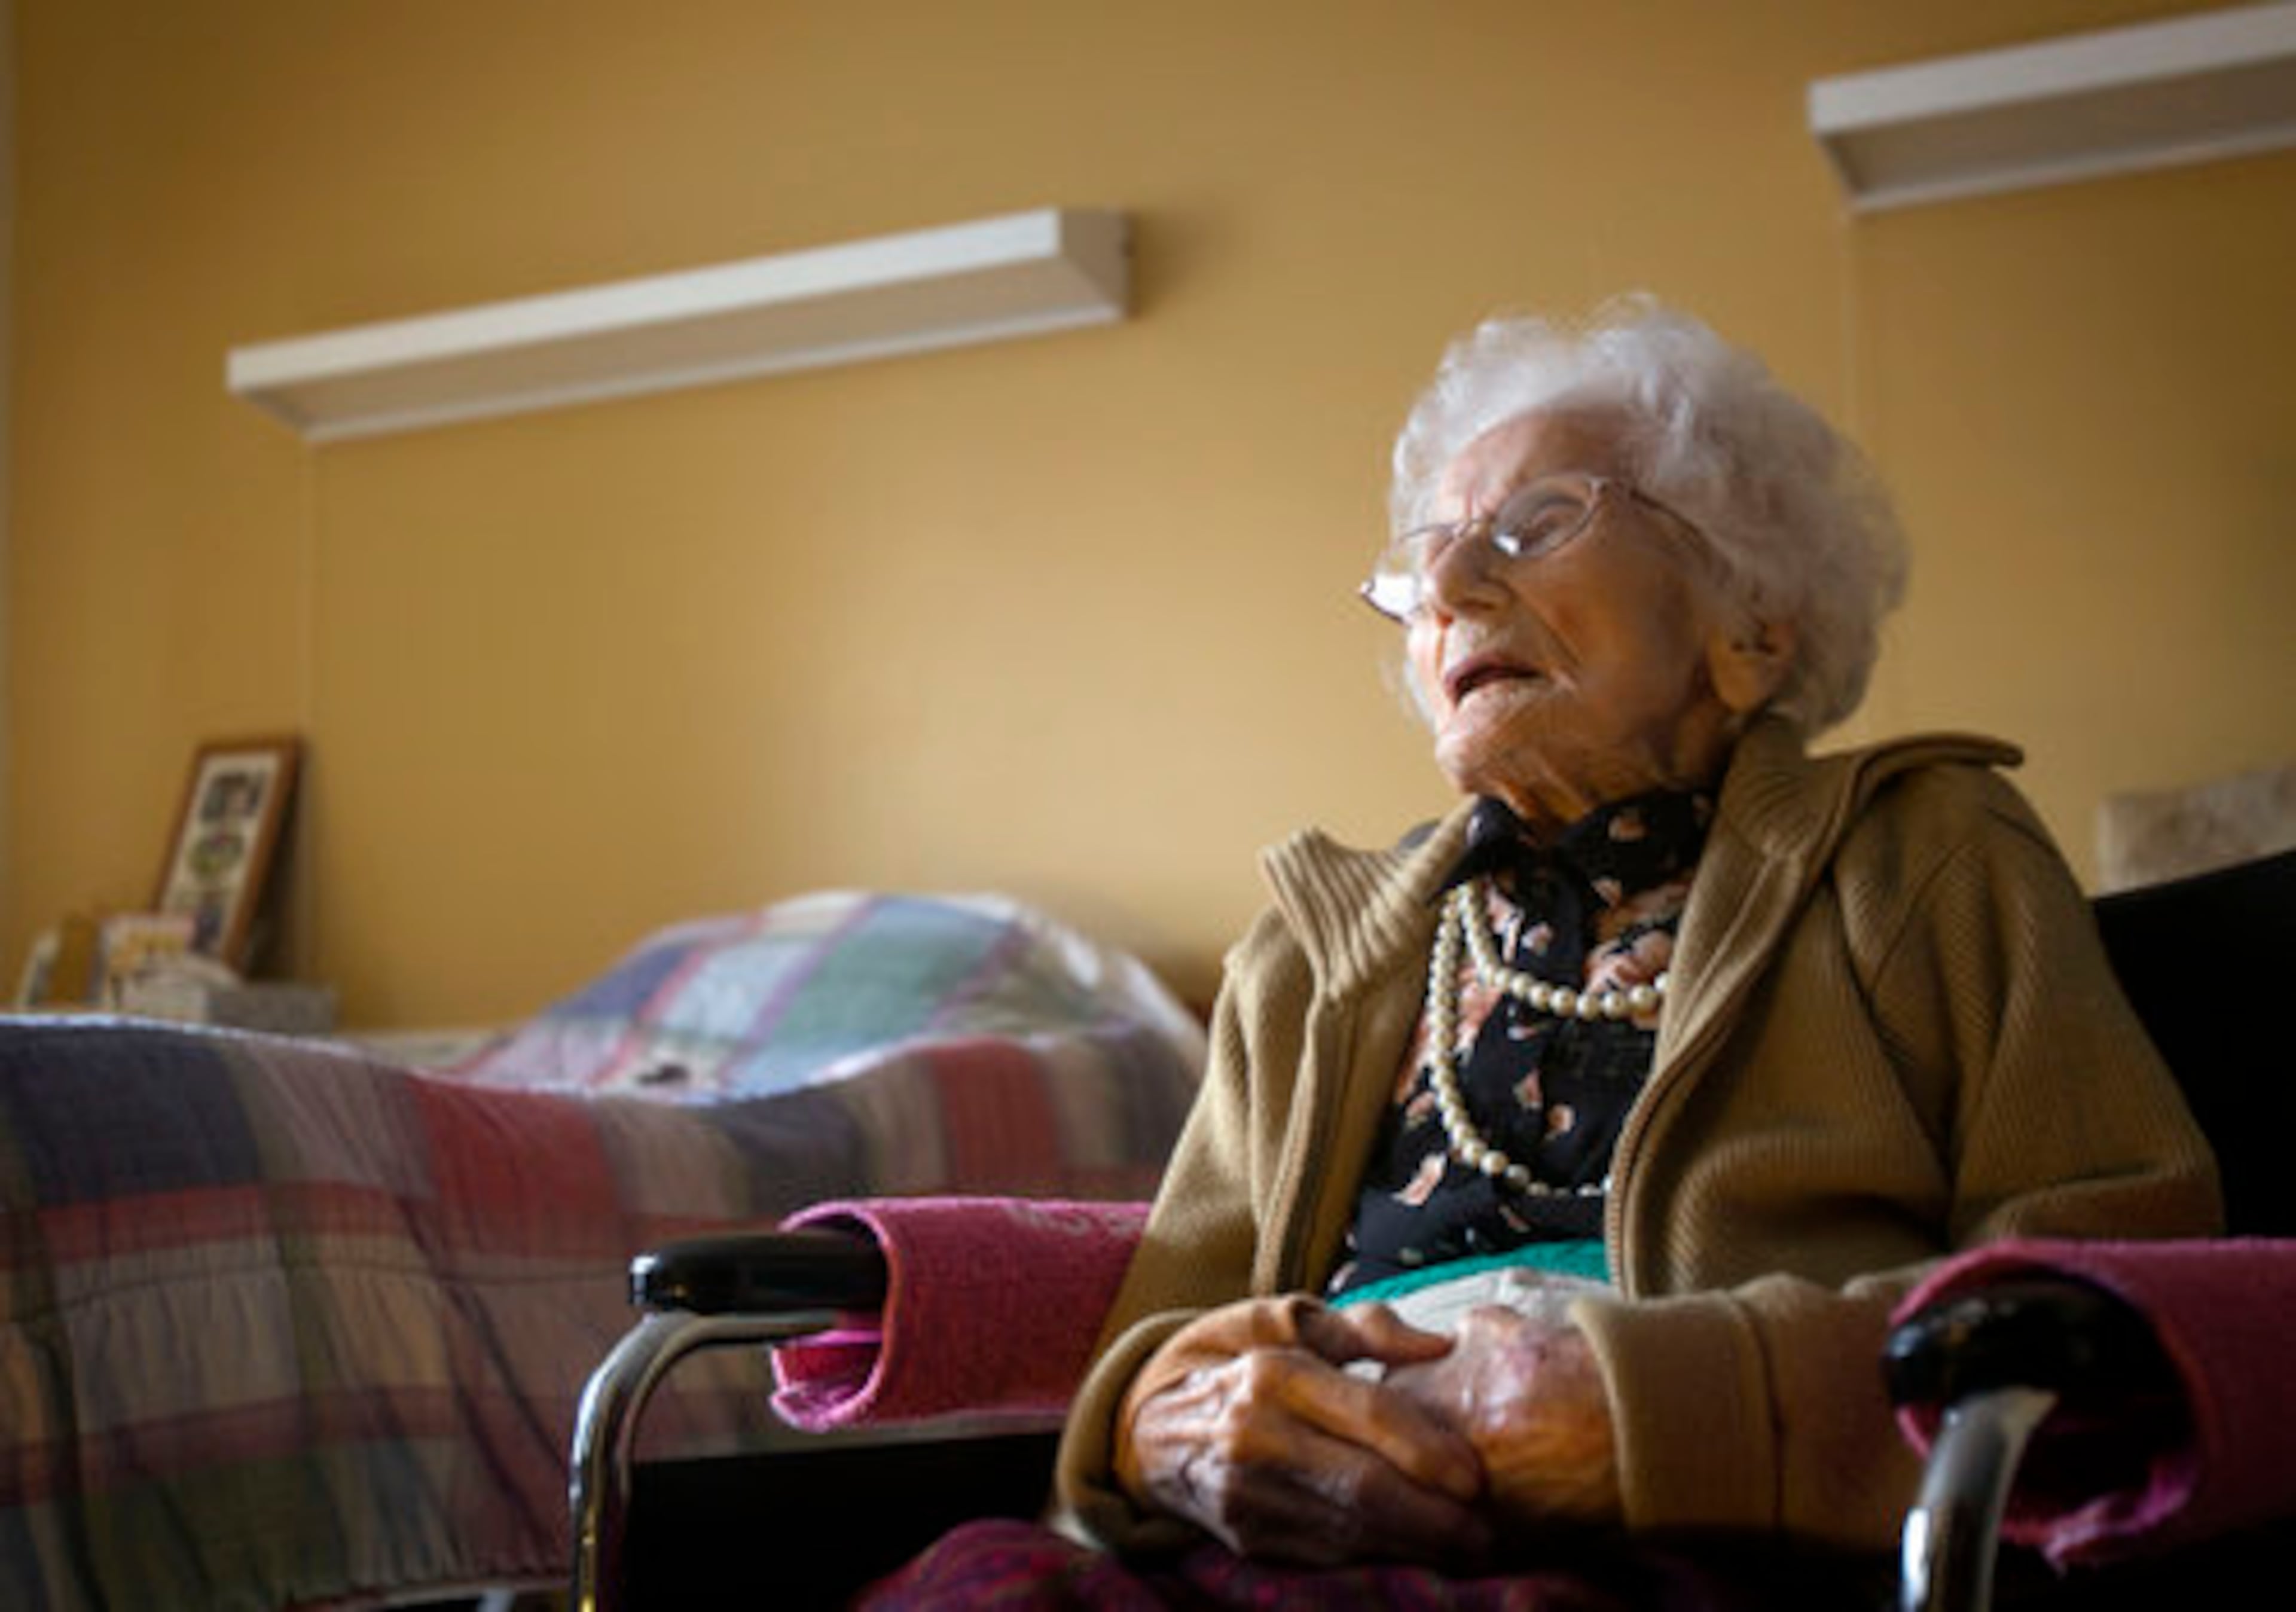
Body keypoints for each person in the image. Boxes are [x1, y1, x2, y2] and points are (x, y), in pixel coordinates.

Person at [871, 296, 2222, 1602]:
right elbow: (1165, 1342)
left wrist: (1661, 1414)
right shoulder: (1313, 952)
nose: (1450, 586)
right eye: (1426, 559)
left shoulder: (1915, 853)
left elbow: (2105, 1293)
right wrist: (1179, 1429)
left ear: (1750, 624)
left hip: (1726, 1545)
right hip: (1283, 1559)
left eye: (1535, 525)